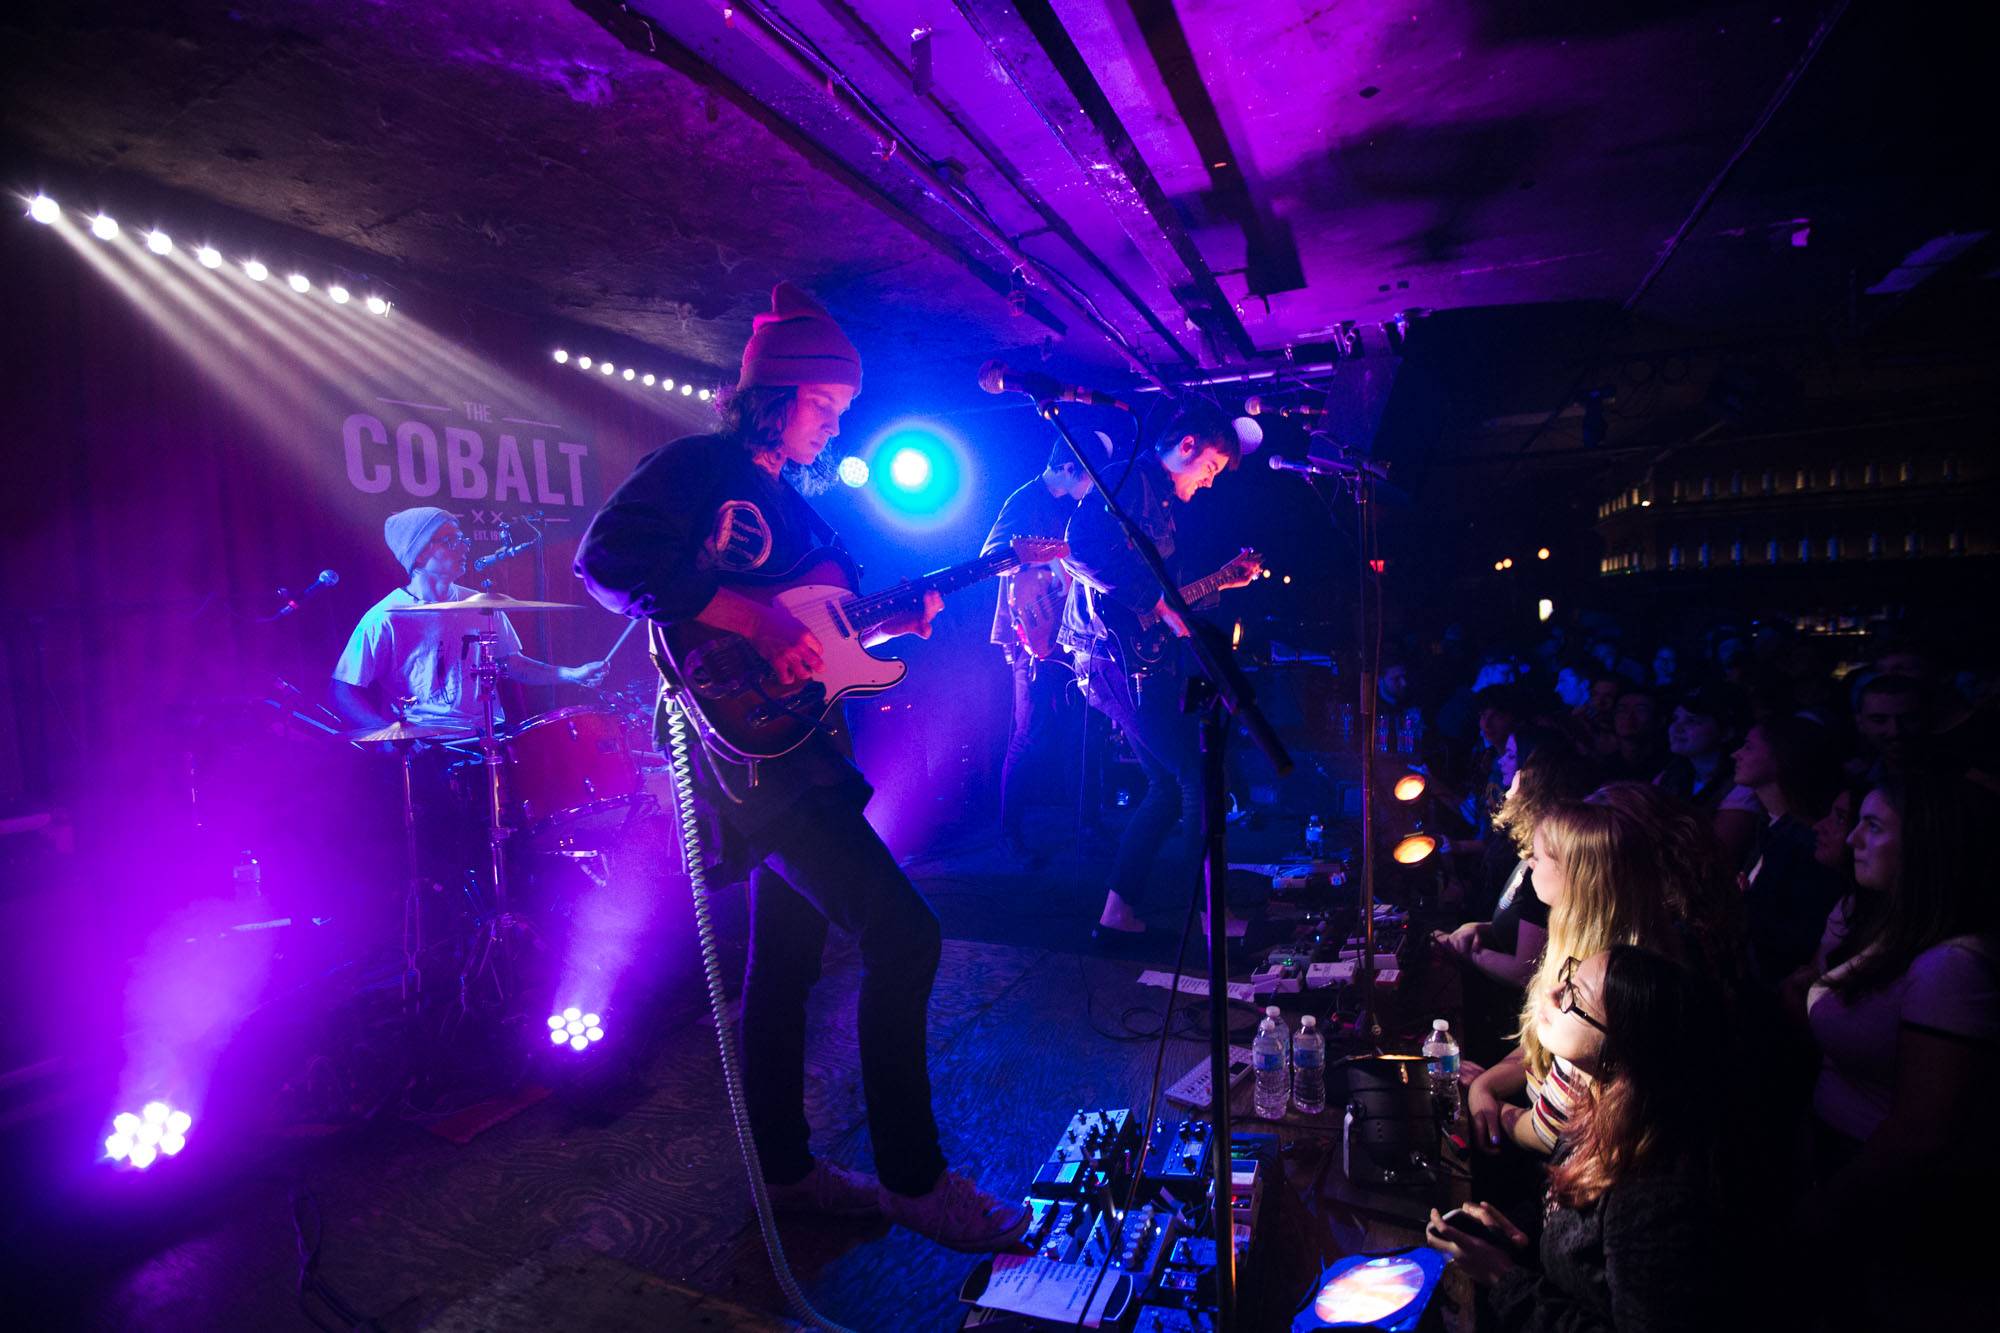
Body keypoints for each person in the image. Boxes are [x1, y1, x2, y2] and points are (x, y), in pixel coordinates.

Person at [574, 282, 1024, 1252]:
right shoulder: (703, 467)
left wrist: (888, 623)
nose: (837, 422)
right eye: (827, 405)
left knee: (782, 968)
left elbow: (816, 636)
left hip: (795, 750)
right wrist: (753, 618)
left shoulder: (796, 505)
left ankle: (784, 1172)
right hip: (756, 772)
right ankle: (913, 1178)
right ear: (775, 394)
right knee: (903, 936)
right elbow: (609, 558)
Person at [1428, 946, 1745, 1332]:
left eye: (1574, 995)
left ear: (1620, 1052)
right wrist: (1516, 1235)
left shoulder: (1652, 1195)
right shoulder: (1595, 1106)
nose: (1552, 992)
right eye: (1568, 975)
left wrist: (1503, 1277)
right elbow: (1576, 1249)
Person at [1800, 773, 1999, 1328]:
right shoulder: (1892, 930)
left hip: (1889, 1198)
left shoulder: (1952, 966)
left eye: (1873, 826)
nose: (1852, 840)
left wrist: (1831, 1204)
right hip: (1843, 1161)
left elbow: (1920, 1130)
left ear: (1928, 845)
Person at [1061, 400, 1249, 942]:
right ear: (1187, 446)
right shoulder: (1130, 481)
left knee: (1167, 786)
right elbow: (1081, 549)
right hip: (1108, 660)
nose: (1210, 483)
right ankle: (1212, 914)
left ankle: (1116, 912)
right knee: (1196, 775)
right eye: (1210, 468)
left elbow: (1164, 598)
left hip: (1124, 658)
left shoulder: (1158, 497)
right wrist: (1156, 600)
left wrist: (1219, 584)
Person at [331, 506, 606, 731]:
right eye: (452, 541)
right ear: (420, 552)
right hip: (428, 745)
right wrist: (387, 735)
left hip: (487, 735)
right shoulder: (385, 618)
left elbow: (513, 665)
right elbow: (342, 691)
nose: (464, 548)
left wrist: (573, 674)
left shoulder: (481, 605)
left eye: (464, 540)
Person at [980, 435, 1104, 862]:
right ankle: (1009, 833)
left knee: (1081, 729)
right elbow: (991, 554)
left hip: (1069, 631)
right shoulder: (1024, 499)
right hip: (1028, 633)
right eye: (1086, 474)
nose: (1091, 484)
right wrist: (1048, 564)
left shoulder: (1072, 506)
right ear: (1069, 468)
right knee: (1029, 734)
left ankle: (1087, 822)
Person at [1730, 716, 1845, 985]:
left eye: (1748, 747)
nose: (1736, 754)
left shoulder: (1808, 841)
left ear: (1782, 756)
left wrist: (1739, 906)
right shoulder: (1771, 826)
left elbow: (1794, 938)